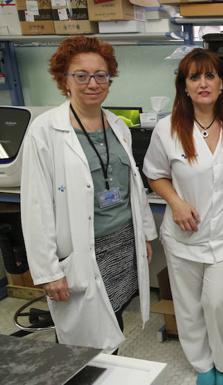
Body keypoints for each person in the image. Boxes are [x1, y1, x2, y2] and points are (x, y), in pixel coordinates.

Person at [21, 36, 157, 352]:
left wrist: (144, 236)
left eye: (100, 75)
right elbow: (35, 207)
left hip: (123, 243)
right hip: (82, 251)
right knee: (80, 340)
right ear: (63, 80)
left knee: (114, 319)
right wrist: (48, 272)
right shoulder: (45, 131)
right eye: (80, 75)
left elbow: (132, 187)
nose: (92, 83)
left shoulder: (118, 125)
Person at [143, 48, 223, 385]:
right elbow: (154, 174)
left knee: (220, 302)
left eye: (210, 75)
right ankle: (203, 365)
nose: (203, 83)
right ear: (184, 86)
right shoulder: (167, 129)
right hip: (184, 235)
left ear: (222, 83)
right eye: (195, 77)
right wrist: (175, 202)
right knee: (189, 305)